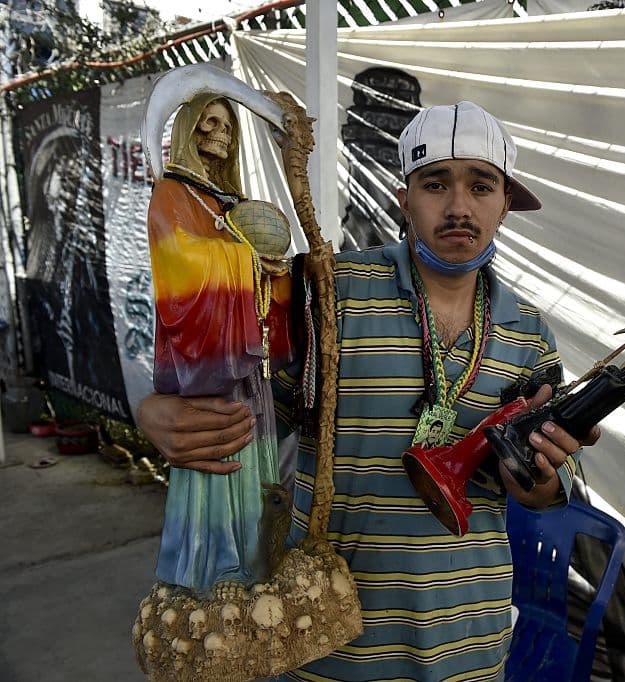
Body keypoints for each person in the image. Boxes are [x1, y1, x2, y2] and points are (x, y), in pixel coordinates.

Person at [138, 100, 599, 680]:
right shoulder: (326, 295)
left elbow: (554, 489)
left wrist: (541, 481)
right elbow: (238, 400)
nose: (459, 207)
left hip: (470, 647)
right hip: (326, 643)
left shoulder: (532, 336)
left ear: (506, 203)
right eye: (436, 184)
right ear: (403, 198)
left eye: (481, 186)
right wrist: (158, 408)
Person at [146, 93, 293, 594]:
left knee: (250, 450)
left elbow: (260, 266)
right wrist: (244, 258)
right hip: (213, 353)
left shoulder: (231, 203)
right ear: (189, 128)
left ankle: (254, 559)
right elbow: (180, 261)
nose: (219, 131)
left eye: (227, 125)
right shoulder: (172, 192)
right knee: (214, 445)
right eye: (209, 121)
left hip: (248, 357)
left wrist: (276, 274)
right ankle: (212, 562)